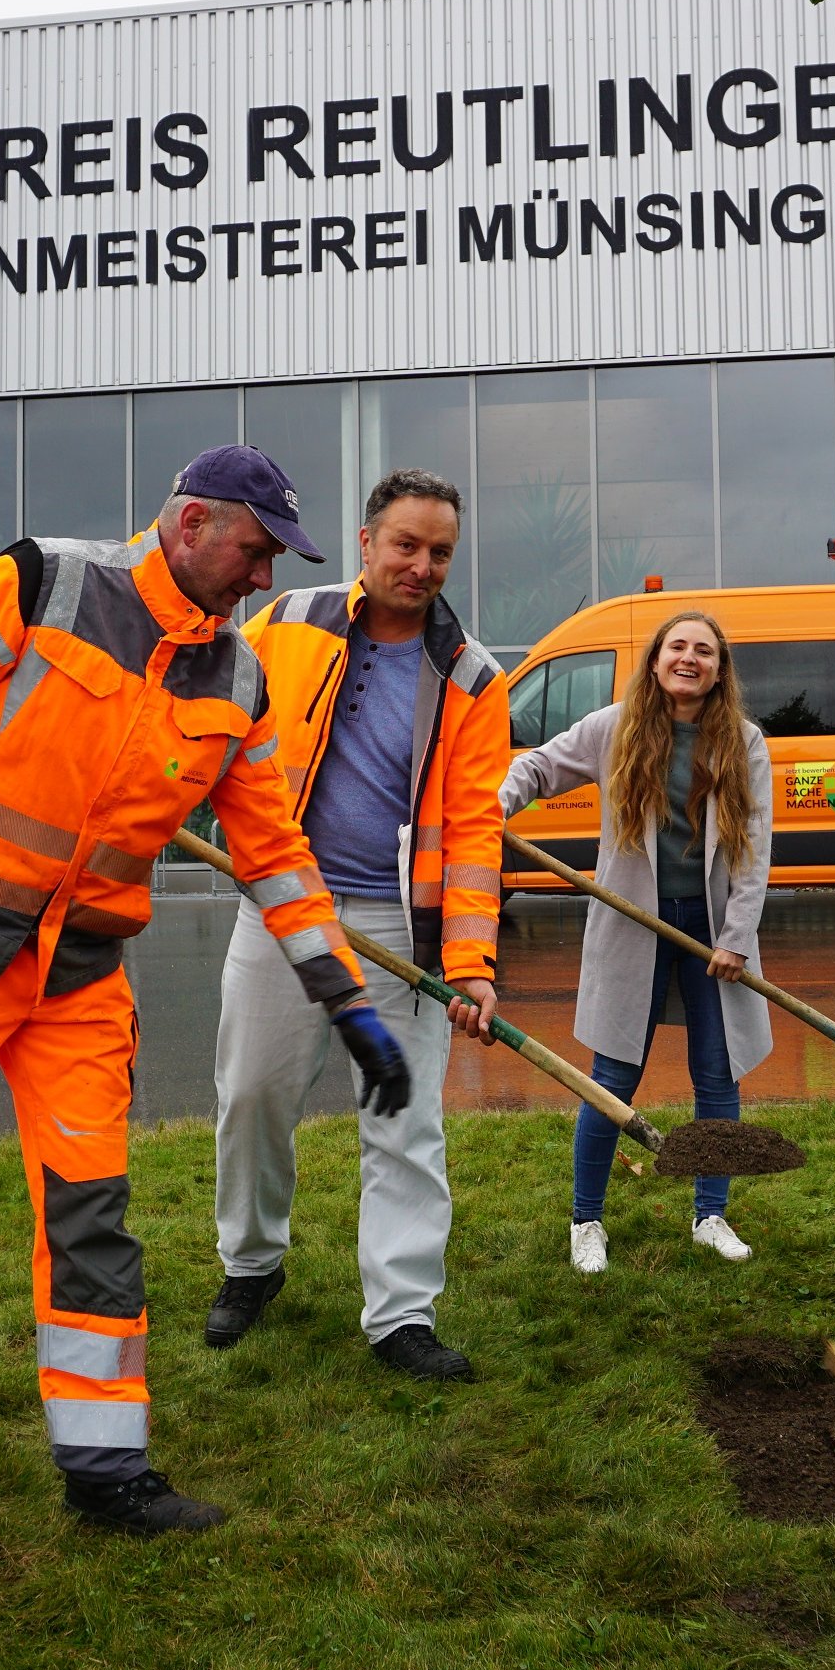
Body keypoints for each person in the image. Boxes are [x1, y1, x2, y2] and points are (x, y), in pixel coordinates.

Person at [0, 446, 410, 1543]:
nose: (261, 578)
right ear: (187, 523)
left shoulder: (238, 679)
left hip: (75, 982)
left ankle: (105, 1470)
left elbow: (275, 855)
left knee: (92, 1221)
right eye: (254, 549)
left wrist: (345, 996)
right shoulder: (40, 583)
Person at [206, 468, 511, 1381]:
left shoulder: (470, 674)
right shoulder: (285, 621)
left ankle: (401, 1314)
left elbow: (473, 833)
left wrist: (470, 963)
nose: (423, 566)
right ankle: (251, 1265)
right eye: (408, 545)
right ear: (369, 540)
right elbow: (210, 701)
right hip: (282, 907)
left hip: (400, 929)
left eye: (441, 552)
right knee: (254, 1095)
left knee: (406, 1122)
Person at [500, 610, 774, 1273]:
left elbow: (754, 848)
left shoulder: (743, 742)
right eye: (676, 646)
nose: (688, 658)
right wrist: (500, 802)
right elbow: (539, 767)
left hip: (709, 930)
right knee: (612, 1078)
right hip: (632, 922)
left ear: (718, 668)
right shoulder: (614, 728)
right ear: (655, 660)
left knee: (717, 1075)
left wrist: (736, 937)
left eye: (703, 650)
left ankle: (711, 1214)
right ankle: (586, 1221)